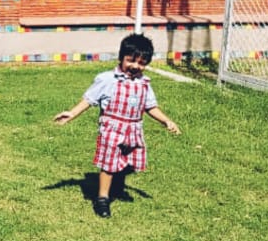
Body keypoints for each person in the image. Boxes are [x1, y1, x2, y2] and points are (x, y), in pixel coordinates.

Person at [53, 33, 181, 218]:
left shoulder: (144, 83)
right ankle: (102, 198)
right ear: (121, 58)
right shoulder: (107, 80)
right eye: (131, 60)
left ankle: (117, 186)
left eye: (142, 63)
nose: (135, 66)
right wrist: (71, 114)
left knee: (128, 160)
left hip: (133, 130)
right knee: (109, 165)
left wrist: (166, 120)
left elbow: (150, 107)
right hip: (112, 130)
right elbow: (89, 100)